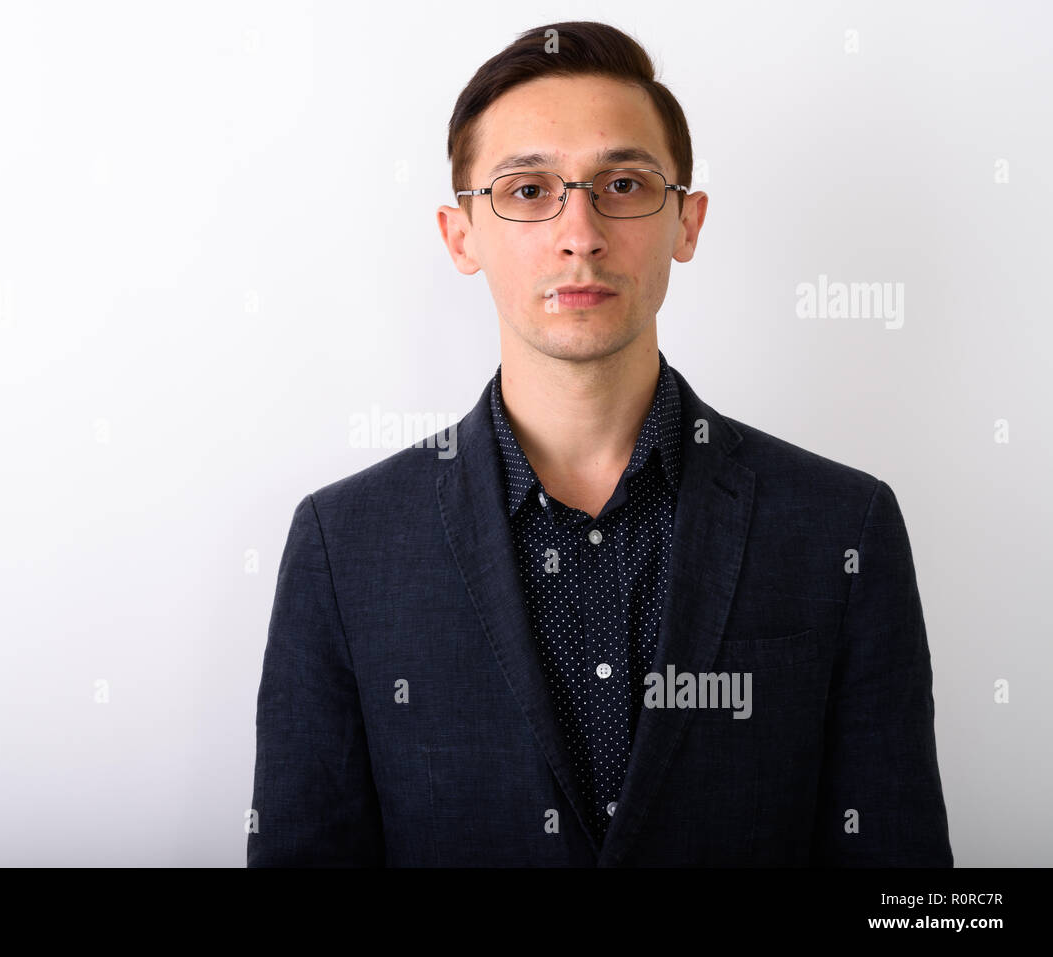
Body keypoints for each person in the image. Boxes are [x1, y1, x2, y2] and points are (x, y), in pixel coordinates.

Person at [246, 20, 952, 867]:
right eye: (528, 190)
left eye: (622, 183)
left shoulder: (843, 525)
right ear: (460, 235)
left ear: (687, 222)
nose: (579, 232)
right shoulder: (345, 544)